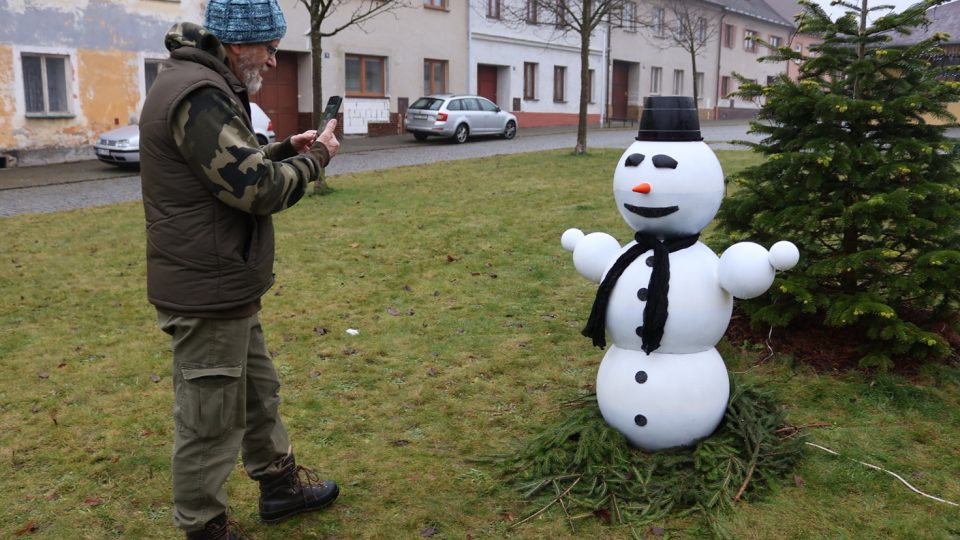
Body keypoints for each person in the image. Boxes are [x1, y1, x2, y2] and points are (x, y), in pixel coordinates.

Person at [138, 0, 339, 537]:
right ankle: (203, 525)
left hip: (225, 281)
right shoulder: (198, 95)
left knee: (256, 392)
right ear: (236, 44)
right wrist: (314, 159)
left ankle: (279, 487)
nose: (273, 62)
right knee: (209, 417)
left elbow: (231, 167)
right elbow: (255, 190)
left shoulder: (204, 82)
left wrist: (278, 149)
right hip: (205, 286)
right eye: (269, 49)